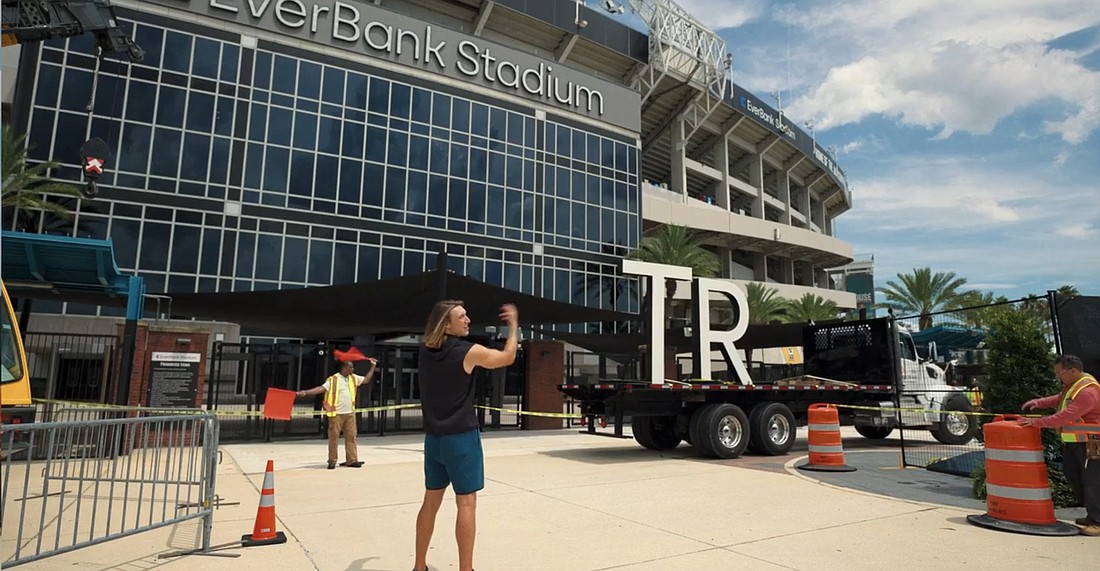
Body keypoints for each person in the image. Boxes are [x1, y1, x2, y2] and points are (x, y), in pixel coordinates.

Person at [413, 300, 518, 571]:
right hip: (461, 439)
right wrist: (514, 325)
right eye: (461, 316)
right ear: (446, 325)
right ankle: (466, 569)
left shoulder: (425, 351)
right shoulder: (467, 352)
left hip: (433, 440)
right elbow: (507, 357)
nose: (468, 319)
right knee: (467, 504)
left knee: (430, 503)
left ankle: (419, 566)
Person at [1019, 354, 1100, 536]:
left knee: (1093, 482)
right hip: (1076, 444)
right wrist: (1040, 402)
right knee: (1074, 476)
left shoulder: (1088, 392)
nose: (1058, 376)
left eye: (1059, 373)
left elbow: (1065, 416)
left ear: (1073, 370)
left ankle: (1097, 521)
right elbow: (1060, 399)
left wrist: (1036, 423)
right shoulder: (1074, 387)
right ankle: (1092, 515)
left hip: (1091, 444)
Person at [296, 358, 376, 469]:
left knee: (351, 437)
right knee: (334, 438)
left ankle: (352, 460)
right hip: (336, 414)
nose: (353, 369)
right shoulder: (333, 379)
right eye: (350, 367)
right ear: (344, 368)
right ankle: (332, 460)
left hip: (350, 413)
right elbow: (321, 389)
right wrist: (305, 392)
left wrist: (373, 366)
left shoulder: (353, 378)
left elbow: (366, 379)